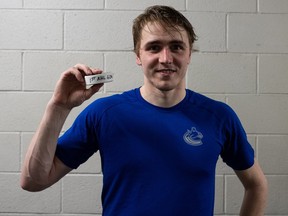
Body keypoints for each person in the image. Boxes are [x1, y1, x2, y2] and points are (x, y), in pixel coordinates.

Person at [21, 5, 268, 216]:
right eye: (153, 47)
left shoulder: (219, 117)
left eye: (176, 47)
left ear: (189, 53)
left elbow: (256, 185)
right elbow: (33, 181)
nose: (165, 58)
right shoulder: (104, 114)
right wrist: (59, 107)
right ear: (138, 56)